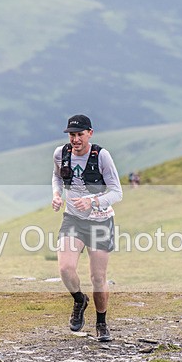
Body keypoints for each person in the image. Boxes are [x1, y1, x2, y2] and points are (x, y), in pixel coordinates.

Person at [51, 114, 123, 342]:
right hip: (73, 219)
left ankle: (101, 323)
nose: (75, 139)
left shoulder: (102, 156)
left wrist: (93, 201)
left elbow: (117, 192)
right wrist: (56, 195)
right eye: (72, 135)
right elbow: (57, 177)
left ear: (90, 133)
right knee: (65, 268)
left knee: (98, 277)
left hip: (100, 221)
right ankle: (79, 299)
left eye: (80, 134)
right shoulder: (60, 154)